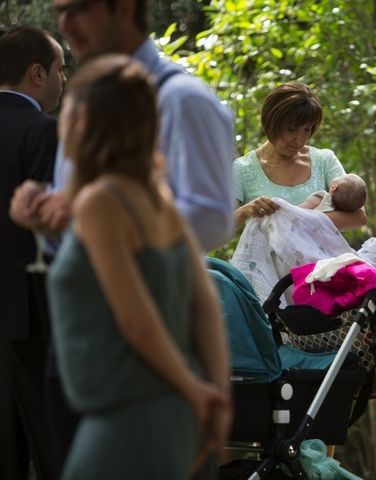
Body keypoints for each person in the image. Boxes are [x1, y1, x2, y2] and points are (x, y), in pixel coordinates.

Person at [8, 1, 236, 474]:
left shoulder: (180, 98)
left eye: (79, 8)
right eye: (59, 10)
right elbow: (205, 301)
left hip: (132, 386)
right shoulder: (148, 193)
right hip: (99, 370)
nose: (66, 24)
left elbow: (214, 223)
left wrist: (101, 224)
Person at [0, 26, 65, 480]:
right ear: (37, 73)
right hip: (29, 312)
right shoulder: (43, 131)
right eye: (62, 68)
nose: (66, 78)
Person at [233, 81, 366, 231]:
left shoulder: (324, 161)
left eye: (307, 130)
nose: (299, 140)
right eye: (291, 129)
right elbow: (220, 228)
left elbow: (358, 216)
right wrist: (245, 211)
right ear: (272, 121)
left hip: (323, 255)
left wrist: (296, 220)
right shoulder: (243, 168)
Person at [298, 173, 367, 213]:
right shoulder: (338, 213)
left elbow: (296, 211)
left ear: (334, 188)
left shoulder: (321, 198)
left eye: (341, 177)